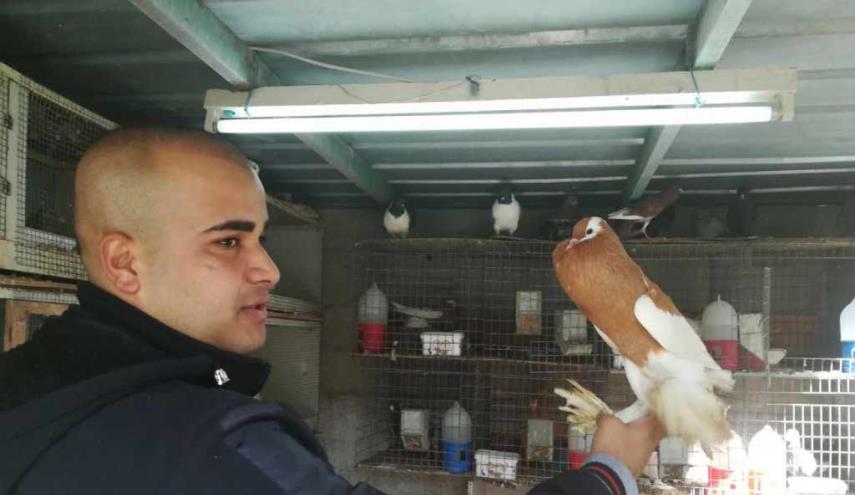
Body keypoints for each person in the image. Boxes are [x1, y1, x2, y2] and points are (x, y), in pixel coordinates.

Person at [0, 127, 663, 494]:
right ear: (124, 262)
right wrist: (606, 475)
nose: (268, 268)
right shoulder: (216, 447)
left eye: (261, 237)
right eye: (228, 241)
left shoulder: (29, 382)